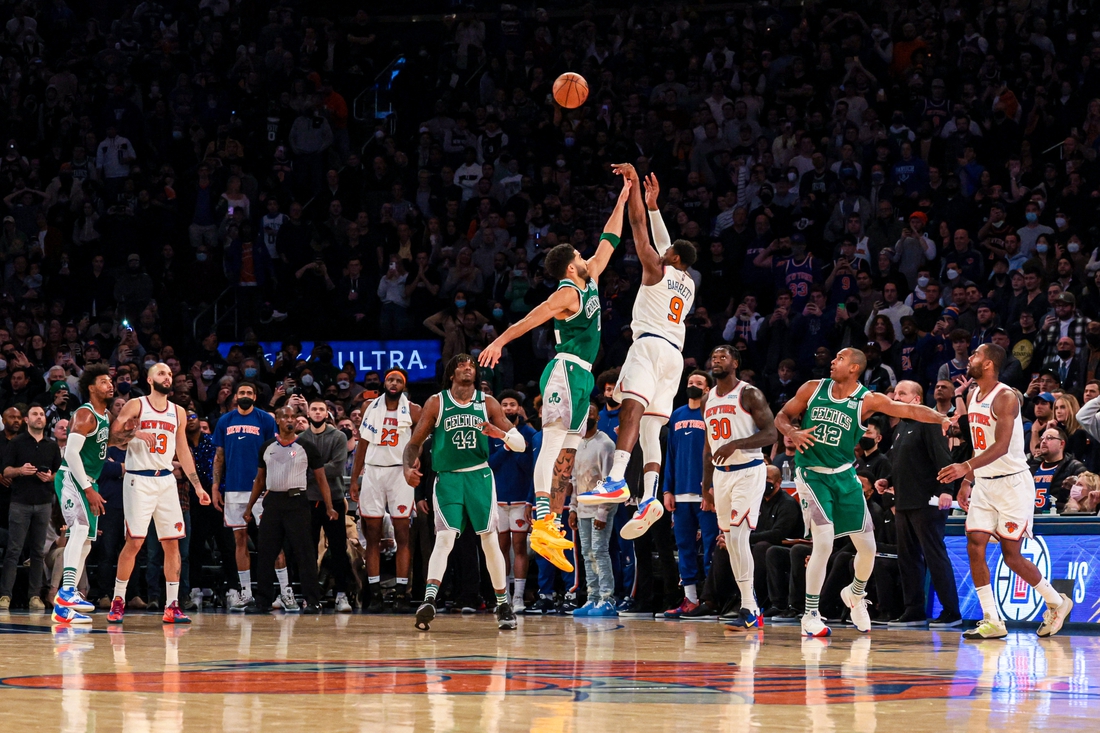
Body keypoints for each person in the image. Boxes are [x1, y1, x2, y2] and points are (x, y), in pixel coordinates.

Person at [478, 177, 631, 572]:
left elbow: (609, 240)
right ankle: (543, 519)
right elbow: (532, 318)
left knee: (568, 451)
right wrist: (499, 342)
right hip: (564, 372)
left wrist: (625, 195)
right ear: (570, 266)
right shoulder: (568, 291)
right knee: (549, 445)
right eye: (580, 254)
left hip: (583, 378)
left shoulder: (591, 276)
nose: (586, 255)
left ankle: (551, 524)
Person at [775, 347, 951, 637]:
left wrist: (940, 418)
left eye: (840, 359)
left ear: (854, 368)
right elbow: (782, 415)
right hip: (811, 474)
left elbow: (908, 410)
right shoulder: (812, 388)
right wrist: (791, 432)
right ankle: (810, 613)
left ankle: (855, 594)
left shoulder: (867, 400)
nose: (833, 362)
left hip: (845, 475)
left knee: (868, 548)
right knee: (824, 541)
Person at [579, 165, 699, 542]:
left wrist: (632, 191)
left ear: (673, 258)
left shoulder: (656, 269)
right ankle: (648, 497)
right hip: (674, 355)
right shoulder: (688, 283)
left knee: (631, 409)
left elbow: (637, 229)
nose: (661, 254)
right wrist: (656, 206)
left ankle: (615, 478)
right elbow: (667, 244)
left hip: (648, 346)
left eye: (667, 254)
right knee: (651, 428)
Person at [937, 343, 1074, 639]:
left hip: (1012, 482)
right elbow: (980, 444)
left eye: (975, 355)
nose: (970, 358)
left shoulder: (1006, 398)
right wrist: (968, 480)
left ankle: (1057, 601)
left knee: (1011, 555)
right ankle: (992, 619)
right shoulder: (973, 394)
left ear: (988, 364)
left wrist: (964, 467)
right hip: (985, 482)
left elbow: (1000, 447)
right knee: (974, 544)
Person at [403, 354, 525, 631]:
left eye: (472, 364)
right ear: (451, 373)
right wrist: (406, 469)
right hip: (447, 478)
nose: (468, 367)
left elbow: (520, 444)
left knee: (489, 540)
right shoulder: (437, 402)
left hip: (479, 476)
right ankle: (429, 600)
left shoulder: (488, 402)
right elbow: (413, 444)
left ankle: (503, 605)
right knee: (445, 539)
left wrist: (501, 434)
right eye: (461, 364)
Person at [107, 363, 211, 624]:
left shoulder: (178, 412)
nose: (168, 377)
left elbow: (183, 451)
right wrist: (136, 432)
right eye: (162, 373)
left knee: (172, 543)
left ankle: (172, 605)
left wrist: (198, 486)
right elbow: (112, 435)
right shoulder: (137, 404)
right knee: (135, 542)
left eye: (170, 374)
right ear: (150, 379)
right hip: (138, 479)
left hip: (166, 481)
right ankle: (118, 600)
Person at [51, 364, 138, 623]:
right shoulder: (85, 414)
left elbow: (105, 443)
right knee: (78, 529)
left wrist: (135, 435)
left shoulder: (104, 417)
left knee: (87, 542)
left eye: (110, 381)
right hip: (72, 478)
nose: (110, 385)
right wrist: (88, 489)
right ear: (91, 387)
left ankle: (63, 610)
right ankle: (66, 592)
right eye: (103, 382)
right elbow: (71, 453)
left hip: (90, 481)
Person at [700, 345, 778, 628]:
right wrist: (705, 485)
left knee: (739, 537)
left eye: (722, 356)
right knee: (730, 543)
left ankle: (749, 606)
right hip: (721, 476)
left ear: (735, 363)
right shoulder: (708, 398)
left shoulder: (749, 393)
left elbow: (771, 433)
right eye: (713, 356)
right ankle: (748, 604)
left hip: (748, 471)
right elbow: (708, 445)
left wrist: (736, 443)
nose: (716, 359)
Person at [875, 380, 960, 628]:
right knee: (908, 558)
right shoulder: (901, 426)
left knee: (934, 556)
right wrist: (887, 480)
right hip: (904, 502)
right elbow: (904, 462)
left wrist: (946, 490)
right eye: (895, 392)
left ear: (917, 400)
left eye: (902, 393)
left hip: (928, 502)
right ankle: (914, 610)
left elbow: (943, 458)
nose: (895, 396)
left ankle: (951, 611)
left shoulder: (929, 422)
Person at [242, 407, 339, 615]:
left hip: (297, 502)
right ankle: (263, 600)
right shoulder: (267, 447)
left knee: (304, 553)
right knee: (266, 552)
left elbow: (321, 479)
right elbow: (260, 480)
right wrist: (249, 507)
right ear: (277, 420)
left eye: (293, 417)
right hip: (273, 502)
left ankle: (312, 601)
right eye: (285, 416)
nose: (290, 420)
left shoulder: (307, 446)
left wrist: (329, 506)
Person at [349, 368, 421, 612]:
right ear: (384, 382)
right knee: (372, 535)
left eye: (398, 380)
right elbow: (362, 444)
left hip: (400, 472)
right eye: (390, 379)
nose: (393, 383)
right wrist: (354, 479)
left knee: (402, 533)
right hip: (373, 471)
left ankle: (402, 593)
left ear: (404, 385)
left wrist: (416, 459)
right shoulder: (369, 406)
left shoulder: (414, 410)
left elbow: (420, 440)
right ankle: (375, 593)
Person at [211, 381, 278, 610]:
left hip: (260, 488)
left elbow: (274, 453)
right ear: (235, 396)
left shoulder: (266, 420)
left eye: (250, 392)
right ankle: (246, 591)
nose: (246, 395)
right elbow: (219, 456)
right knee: (239, 540)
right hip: (233, 489)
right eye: (242, 392)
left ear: (255, 396)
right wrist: (215, 486)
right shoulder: (224, 421)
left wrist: (272, 482)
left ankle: (283, 591)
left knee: (270, 541)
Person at [662, 369, 719, 619]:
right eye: (690, 381)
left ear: (708, 389)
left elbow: (716, 455)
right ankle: (691, 600)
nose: (693, 385)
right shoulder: (676, 415)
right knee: (684, 547)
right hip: (680, 493)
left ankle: (710, 599)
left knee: (709, 548)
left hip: (705, 493)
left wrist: (712, 489)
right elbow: (670, 456)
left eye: (698, 382)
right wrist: (667, 489)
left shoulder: (712, 414)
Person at [0, 405, 61, 611]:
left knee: (37, 552)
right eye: (35, 414)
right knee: (13, 550)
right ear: (27, 420)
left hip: (44, 502)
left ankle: (34, 595)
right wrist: (21, 470)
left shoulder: (51, 445)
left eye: (42, 414)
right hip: (20, 502)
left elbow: (58, 473)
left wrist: (49, 477)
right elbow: (6, 471)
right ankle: (5, 595)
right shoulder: (16, 443)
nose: (39, 417)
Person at [298, 398, 351, 611]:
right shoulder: (301, 438)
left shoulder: (338, 436)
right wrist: (320, 470)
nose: (318, 412)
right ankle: (309, 596)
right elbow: (298, 468)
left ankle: (342, 594)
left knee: (339, 549)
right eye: (314, 409)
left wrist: (314, 471)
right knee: (307, 550)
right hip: (308, 500)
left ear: (327, 413)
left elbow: (338, 468)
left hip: (335, 499)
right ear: (308, 412)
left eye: (321, 409)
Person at [489, 390, 536, 613]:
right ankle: (503, 599)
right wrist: (506, 447)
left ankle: (518, 597)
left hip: (520, 499)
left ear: (519, 408)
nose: (508, 408)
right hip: (498, 500)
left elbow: (531, 467)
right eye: (504, 405)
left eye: (512, 405)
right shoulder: (491, 433)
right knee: (500, 549)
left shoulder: (529, 433)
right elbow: (488, 464)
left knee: (519, 548)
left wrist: (516, 448)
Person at [570, 403, 617, 616]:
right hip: (582, 507)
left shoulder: (605, 444)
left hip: (600, 507)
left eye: (591, 413)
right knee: (586, 553)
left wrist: (603, 511)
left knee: (599, 551)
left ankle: (607, 599)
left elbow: (611, 481)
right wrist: (572, 508)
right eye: (584, 413)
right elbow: (574, 479)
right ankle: (592, 597)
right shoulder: (577, 443)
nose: (587, 416)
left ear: (598, 417)